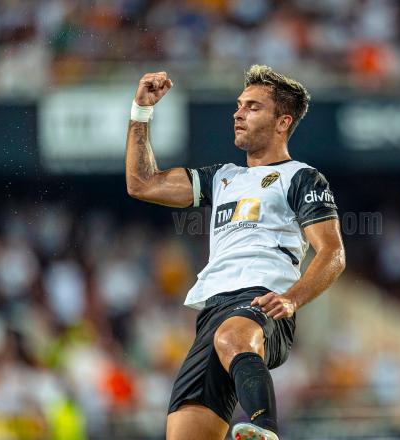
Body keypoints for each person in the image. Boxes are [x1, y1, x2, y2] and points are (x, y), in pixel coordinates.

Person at [125, 65, 346, 440]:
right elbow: (142, 184)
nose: (238, 113)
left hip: (263, 305)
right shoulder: (222, 177)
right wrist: (141, 111)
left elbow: (333, 253)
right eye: (239, 105)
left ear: (282, 122)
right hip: (212, 314)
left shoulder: (301, 177)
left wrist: (291, 301)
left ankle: (264, 429)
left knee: (233, 337)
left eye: (253, 107)